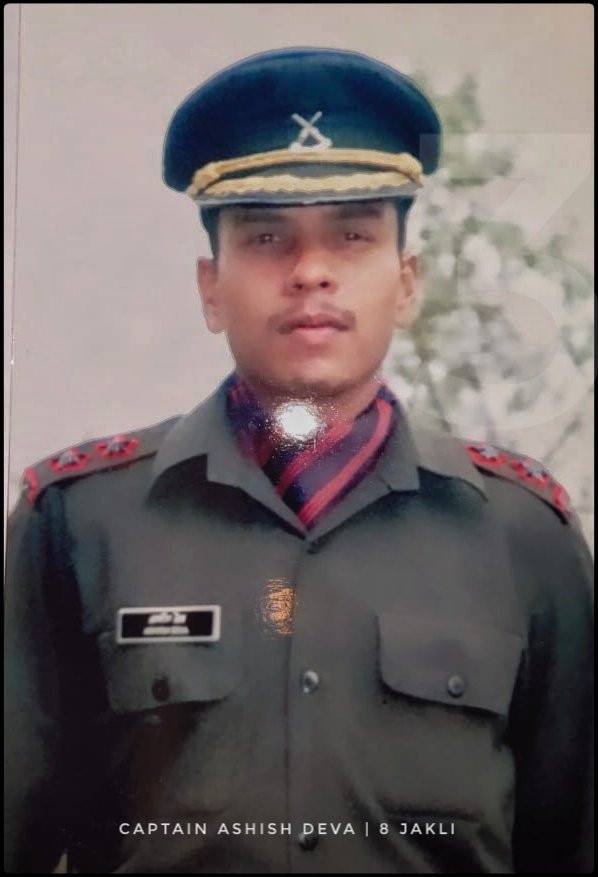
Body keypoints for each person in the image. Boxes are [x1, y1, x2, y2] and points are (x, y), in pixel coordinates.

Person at [4, 47, 593, 874]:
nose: (311, 271)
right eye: (266, 236)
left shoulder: (525, 537)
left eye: (351, 235)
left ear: (407, 281)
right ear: (211, 287)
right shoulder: (78, 523)